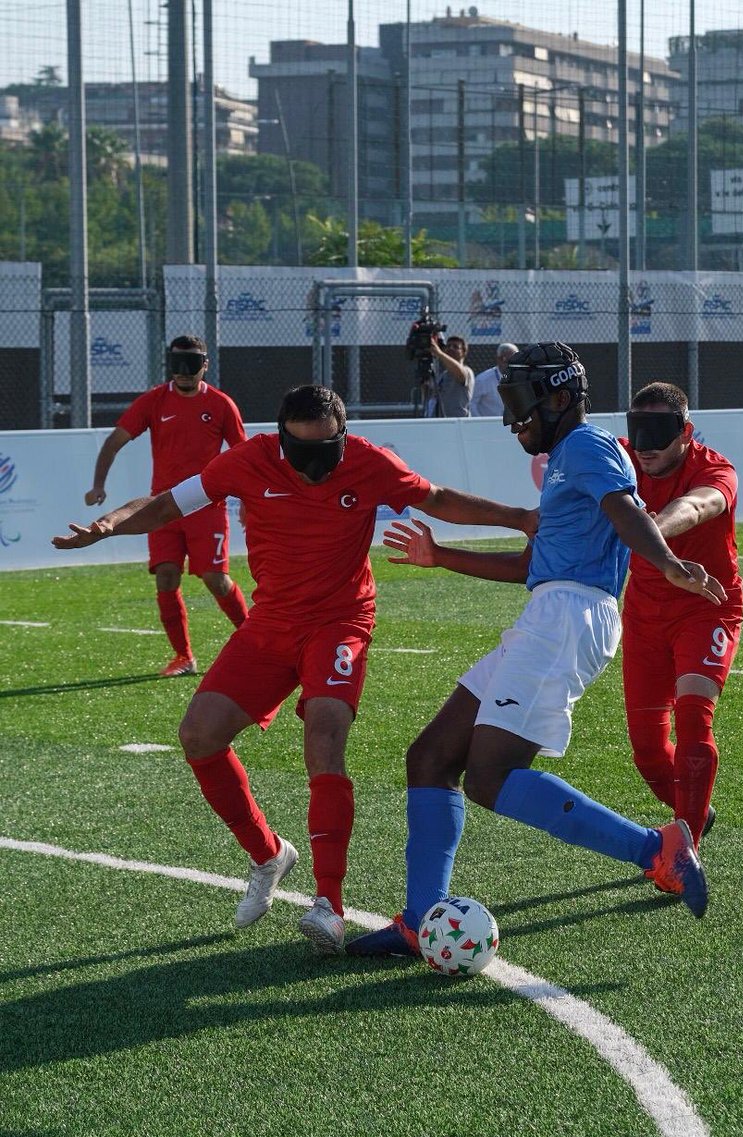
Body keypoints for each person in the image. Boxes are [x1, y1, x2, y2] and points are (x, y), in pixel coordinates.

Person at [53, 384, 539, 955]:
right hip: (272, 623)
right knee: (199, 736)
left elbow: (438, 499)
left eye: (325, 452)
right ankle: (268, 854)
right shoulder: (248, 460)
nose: (313, 466)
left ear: (344, 435)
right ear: (280, 437)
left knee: (325, 736)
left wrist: (520, 517)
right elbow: (167, 503)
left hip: (340, 622)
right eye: (301, 452)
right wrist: (110, 523)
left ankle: (328, 905)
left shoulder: (369, 463)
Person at [346, 343, 726, 960]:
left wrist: (668, 563)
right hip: (550, 613)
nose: (509, 418)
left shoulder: (587, 446)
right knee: (431, 757)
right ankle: (420, 919)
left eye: (519, 402)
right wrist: (441, 556)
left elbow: (626, 511)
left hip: (570, 619)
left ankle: (656, 850)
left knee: (490, 777)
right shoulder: (564, 461)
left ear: (560, 397)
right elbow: (531, 565)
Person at [621, 382, 743, 853]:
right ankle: (695, 813)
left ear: (686, 432)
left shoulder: (716, 469)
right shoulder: (622, 460)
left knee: (694, 716)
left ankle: (684, 851)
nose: (646, 446)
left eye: (659, 432)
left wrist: (650, 533)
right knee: (649, 753)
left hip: (706, 604)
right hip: (643, 613)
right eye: (638, 432)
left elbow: (697, 506)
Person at [85, 334, 249, 677]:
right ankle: (184, 657)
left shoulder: (221, 405)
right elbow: (114, 442)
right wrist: (99, 484)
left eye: (192, 365)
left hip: (207, 505)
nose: (184, 372)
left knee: (215, 578)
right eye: (177, 365)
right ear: (169, 366)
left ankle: (256, 643)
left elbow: (243, 456)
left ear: (205, 365)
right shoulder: (154, 402)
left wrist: (249, 500)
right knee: (166, 576)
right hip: (162, 509)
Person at [423, 334, 474, 418]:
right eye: (448, 346)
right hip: (442, 422)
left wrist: (439, 353)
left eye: (455, 347)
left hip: (459, 423)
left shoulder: (467, 371)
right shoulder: (443, 375)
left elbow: (460, 374)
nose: (451, 348)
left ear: (464, 352)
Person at [470, 342, 519, 417]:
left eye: (513, 359)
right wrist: (480, 423)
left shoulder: (521, 378)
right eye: (505, 359)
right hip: (488, 425)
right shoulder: (483, 379)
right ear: (498, 359)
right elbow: (472, 403)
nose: (510, 363)